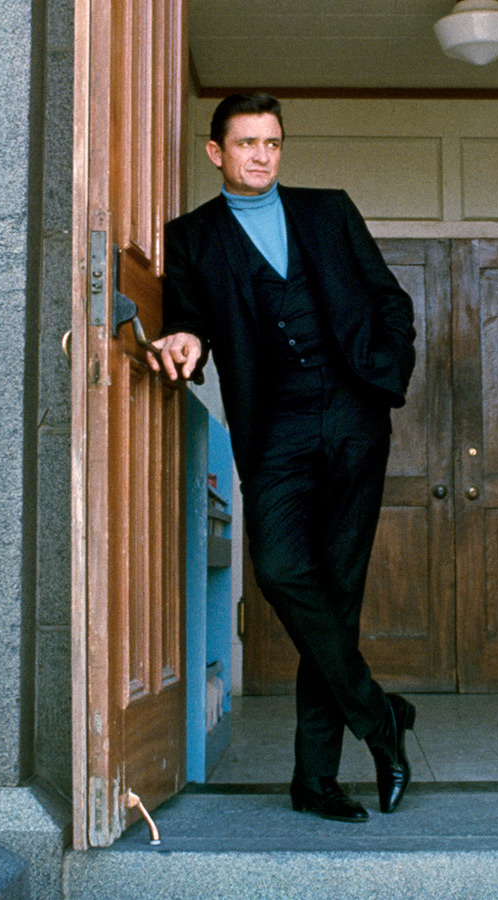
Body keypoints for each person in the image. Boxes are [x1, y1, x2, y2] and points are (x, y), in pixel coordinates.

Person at [147, 93, 416, 823]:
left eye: (272, 143)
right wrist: (185, 337)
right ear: (217, 153)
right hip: (274, 428)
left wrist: (386, 374)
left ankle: (314, 781)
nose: (261, 156)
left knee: (339, 594)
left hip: (354, 417)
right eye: (246, 143)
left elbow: (389, 300)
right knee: (282, 570)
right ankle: (380, 720)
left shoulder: (329, 210)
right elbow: (188, 318)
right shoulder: (191, 237)